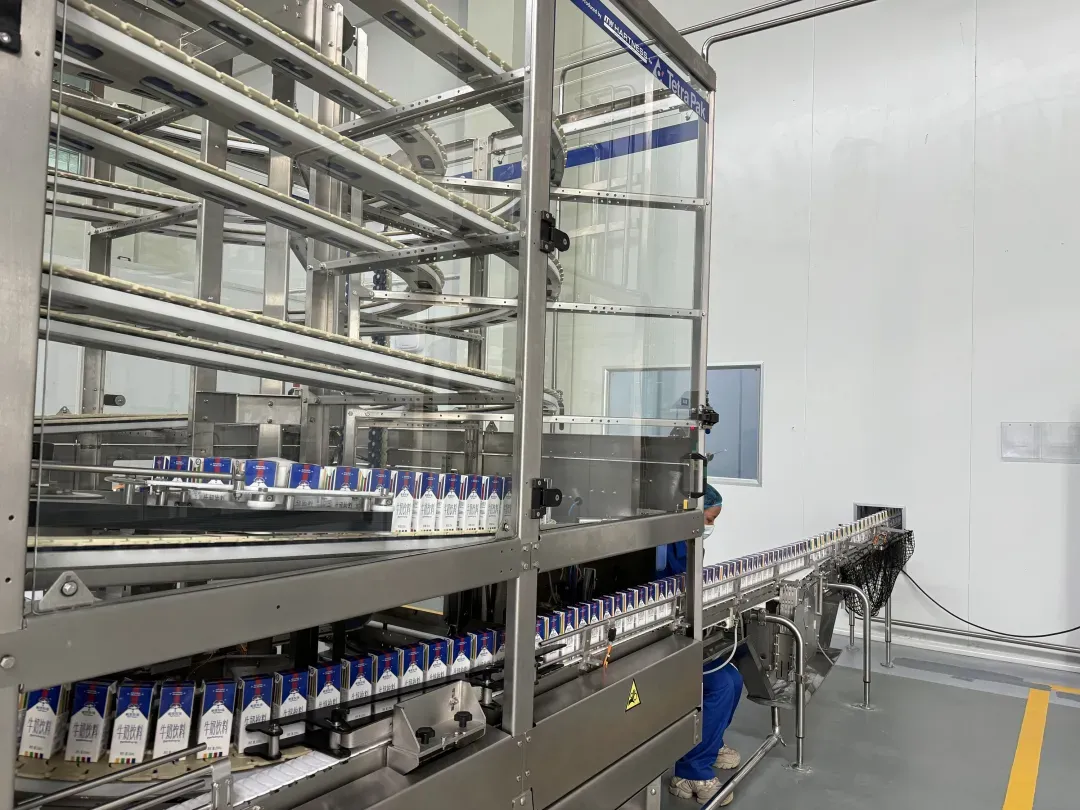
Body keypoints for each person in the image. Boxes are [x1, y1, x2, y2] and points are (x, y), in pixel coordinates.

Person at [659, 485, 744, 806]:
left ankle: (710, 742)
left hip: (681, 627)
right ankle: (690, 773)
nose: (711, 526)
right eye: (709, 519)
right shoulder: (663, 542)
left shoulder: (689, 540)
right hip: (659, 638)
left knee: (734, 678)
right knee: (720, 685)